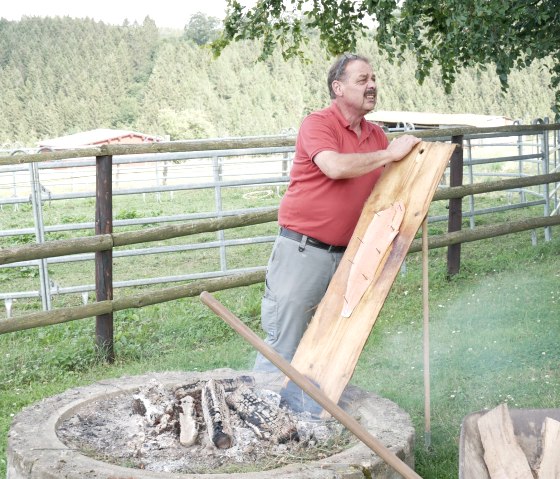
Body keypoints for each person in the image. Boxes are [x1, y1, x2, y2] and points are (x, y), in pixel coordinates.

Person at [254, 53, 421, 372]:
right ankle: (259, 415)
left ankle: (308, 416)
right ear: (338, 87)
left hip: (350, 255)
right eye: (362, 80)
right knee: (284, 345)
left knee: (329, 343)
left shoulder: (375, 135)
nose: (371, 85)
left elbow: (384, 195)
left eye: (373, 79)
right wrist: (388, 154)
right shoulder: (318, 124)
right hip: (304, 252)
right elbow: (333, 166)